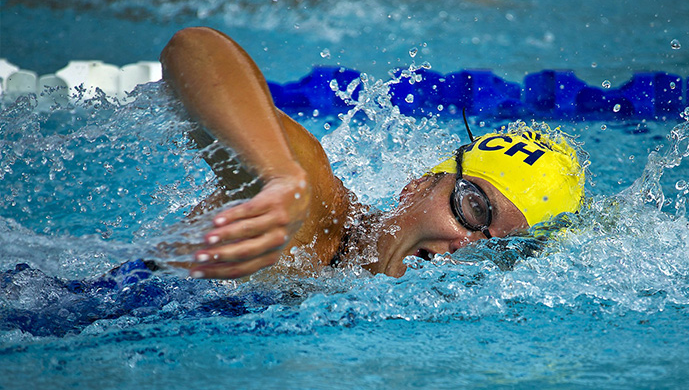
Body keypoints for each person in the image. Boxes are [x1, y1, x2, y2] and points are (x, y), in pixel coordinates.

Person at [159, 27, 585, 280]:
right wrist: (278, 176)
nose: (466, 246)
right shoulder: (311, 213)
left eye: (501, 250)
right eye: (474, 209)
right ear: (417, 186)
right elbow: (194, 49)